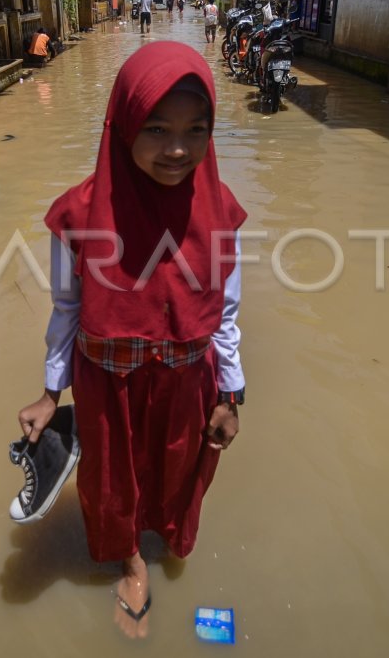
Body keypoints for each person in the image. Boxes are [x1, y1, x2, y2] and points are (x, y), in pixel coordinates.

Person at [17, 42, 248, 639]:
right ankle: (131, 560)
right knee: (112, 476)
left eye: (197, 129)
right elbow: (67, 307)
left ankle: (167, 538)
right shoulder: (78, 215)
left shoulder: (220, 210)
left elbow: (224, 311)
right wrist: (49, 391)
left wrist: (231, 394)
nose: (178, 149)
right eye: (157, 128)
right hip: (107, 380)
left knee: (177, 470)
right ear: (121, 126)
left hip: (186, 377)